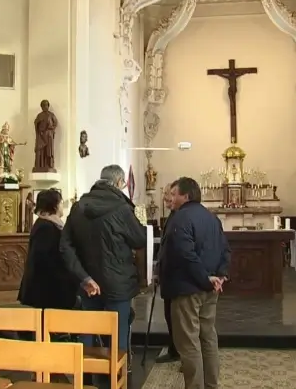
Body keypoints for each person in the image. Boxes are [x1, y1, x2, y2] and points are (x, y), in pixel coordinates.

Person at [60, 164, 147, 355]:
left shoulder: (78, 207)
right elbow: (139, 239)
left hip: (88, 282)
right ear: (118, 182)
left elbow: (65, 246)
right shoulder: (122, 209)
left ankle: (84, 376)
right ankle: (117, 379)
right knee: (118, 334)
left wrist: (84, 278)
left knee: (88, 330)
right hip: (118, 282)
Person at [160, 177, 230, 389]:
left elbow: (185, 255)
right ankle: (211, 385)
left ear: (186, 196)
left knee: (189, 344)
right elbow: (225, 249)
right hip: (209, 289)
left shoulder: (180, 219)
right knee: (208, 338)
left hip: (187, 289)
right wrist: (220, 275)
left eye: (174, 194)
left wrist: (205, 278)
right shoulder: (212, 218)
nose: (171, 199)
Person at [18, 189, 78, 312]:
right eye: (61, 203)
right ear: (54, 205)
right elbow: (44, 258)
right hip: (47, 286)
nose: (62, 206)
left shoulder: (48, 223)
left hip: (48, 284)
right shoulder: (46, 227)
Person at [155, 181, 180, 364]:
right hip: (168, 275)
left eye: (169, 195)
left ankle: (184, 354)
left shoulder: (181, 217)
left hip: (178, 276)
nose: (165, 199)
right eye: (164, 196)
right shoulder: (172, 216)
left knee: (179, 319)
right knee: (170, 316)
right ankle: (174, 349)